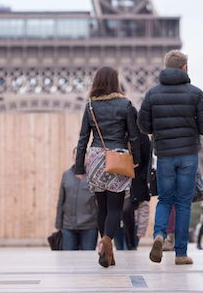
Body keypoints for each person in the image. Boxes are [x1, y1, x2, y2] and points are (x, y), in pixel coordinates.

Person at [138, 49, 203, 265]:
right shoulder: (196, 93)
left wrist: (159, 129)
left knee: (164, 199)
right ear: (185, 68)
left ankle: (159, 235)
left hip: (164, 155)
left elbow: (143, 125)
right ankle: (181, 253)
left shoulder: (152, 94)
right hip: (188, 155)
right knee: (183, 204)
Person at [75, 66, 141, 268]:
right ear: (115, 82)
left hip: (95, 158)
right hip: (118, 157)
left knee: (101, 207)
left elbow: (83, 139)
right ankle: (106, 241)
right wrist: (136, 158)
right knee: (115, 207)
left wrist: (79, 167)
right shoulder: (126, 104)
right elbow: (134, 135)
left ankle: (106, 251)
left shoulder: (91, 106)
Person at [55, 150, 99, 250]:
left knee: (88, 260)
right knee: (68, 260)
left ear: (87, 159)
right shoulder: (66, 175)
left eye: (83, 157)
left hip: (90, 226)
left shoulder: (94, 176)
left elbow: (100, 202)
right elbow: (61, 201)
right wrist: (58, 223)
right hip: (68, 227)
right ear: (73, 158)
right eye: (77, 156)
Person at [121, 131, 152, 250]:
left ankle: (131, 244)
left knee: (127, 210)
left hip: (137, 182)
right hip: (120, 179)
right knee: (123, 212)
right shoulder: (119, 135)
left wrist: (145, 179)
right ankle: (130, 245)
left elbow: (147, 161)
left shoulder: (143, 137)